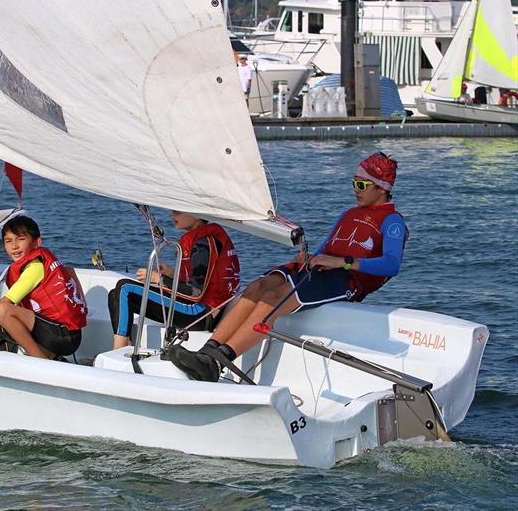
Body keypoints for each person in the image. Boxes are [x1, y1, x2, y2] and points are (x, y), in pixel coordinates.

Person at [169, 152, 407, 382]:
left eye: (362, 185)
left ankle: (217, 363)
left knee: (272, 299)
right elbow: (325, 247)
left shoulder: (392, 221)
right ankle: (206, 351)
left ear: (381, 188)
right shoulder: (349, 214)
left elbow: (391, 264)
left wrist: (342, 262)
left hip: (346, 280)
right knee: (258, 286)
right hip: (319, 269)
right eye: (354, 182)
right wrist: (309, 256)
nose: (355, 189)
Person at [0, 216, 88, 359]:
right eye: (8, 241)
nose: (14, 246)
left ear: (37, 242)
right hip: (68, 334)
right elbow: (70, 271)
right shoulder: (43, 264)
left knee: (3, 311)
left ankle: (41, 361)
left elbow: (2, 306)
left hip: (62, 336)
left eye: (20, 239)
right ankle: (49, 356)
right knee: (7, 315)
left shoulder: (35, 267)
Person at [108, 211, 240, 350]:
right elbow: (203, 278)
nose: (172, 215)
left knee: (125, 288)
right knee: (114, 295)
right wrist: (171, 273)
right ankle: (125, 349)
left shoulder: (203, 244)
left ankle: (117, 352)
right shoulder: (204, 239)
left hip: (199, 313)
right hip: (198, 309)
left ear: (196, 215)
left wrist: (158, 279)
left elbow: (196, 293)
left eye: (178, 211)